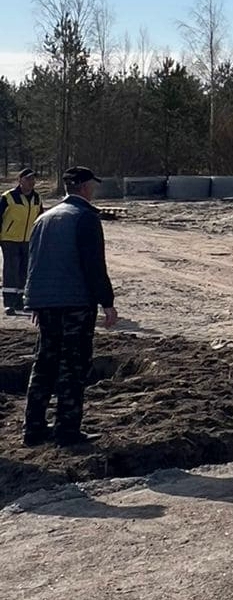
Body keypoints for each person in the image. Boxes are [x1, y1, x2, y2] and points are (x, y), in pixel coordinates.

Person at [22, 166, 117, 449]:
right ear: (85, 187)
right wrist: (107, 302)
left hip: (47, 304)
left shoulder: (44, 218)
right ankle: (67, 430)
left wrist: (34, 301)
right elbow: (93, 266)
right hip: (75, 303)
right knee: (73, 366)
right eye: (92, 185)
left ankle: (34, 427)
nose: (94, 190)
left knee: (44, 364)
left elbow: (34, 263)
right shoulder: (85, 218)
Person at [0, 167, 43, 315]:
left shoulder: (37, 198)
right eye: (28, 179)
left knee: (24, 270)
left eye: (33, 179)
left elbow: (40, 219)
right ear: (20, 180)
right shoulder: (8, 197)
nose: (31, 182)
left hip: (28, 240)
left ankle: (20, 300)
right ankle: (9, 303)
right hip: (9, 239)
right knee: (11, 270)